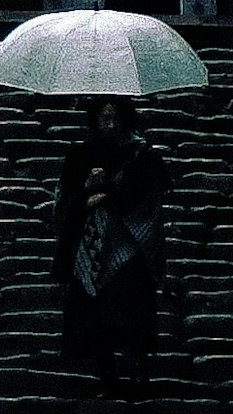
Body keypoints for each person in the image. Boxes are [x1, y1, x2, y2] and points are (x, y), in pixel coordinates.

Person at [52, 99, 171, 384]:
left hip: (127, 244)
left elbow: (149, 193)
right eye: (104, 118)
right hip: (91, 244)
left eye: (115, 118)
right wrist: (87, 193)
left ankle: (138, 368)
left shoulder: (143, 155)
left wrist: (110, 193)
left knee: (128, 306)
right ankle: (108, 375)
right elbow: (66, 199)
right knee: (93, 312)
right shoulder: (81, 155)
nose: (110, 124)